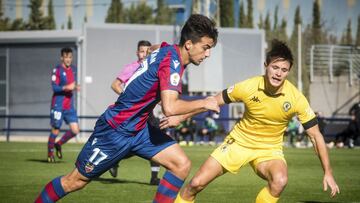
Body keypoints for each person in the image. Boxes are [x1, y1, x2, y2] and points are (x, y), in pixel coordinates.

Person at [35, 14, 219, 203]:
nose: (207, 54)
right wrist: (205, 102)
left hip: (139, 129)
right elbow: (170, 107)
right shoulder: (171, 63)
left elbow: (155, 48)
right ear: (188, 44)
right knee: (74, 181)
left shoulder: (168, 50)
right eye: (205, 48)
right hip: (115, 130)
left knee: (181, 164)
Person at [162, 39, 340, 202]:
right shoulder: (248, 86)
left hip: (269, 150)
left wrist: (328, 172)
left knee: (280, 180)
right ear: (266, 66)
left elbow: (316, 136)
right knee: (195, 184)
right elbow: (213, 102)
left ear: (288, 72)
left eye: (284, 70)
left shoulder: (296, 98)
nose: (278, 74)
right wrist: (180, 117)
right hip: (238, 143)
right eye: (275, 68)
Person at [108, 40, 161, 186]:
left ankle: (154, 177)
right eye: (142, 51)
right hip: (132, 112)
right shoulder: (131, 68)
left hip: (148, 113)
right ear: (137, 53)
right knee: (130, 144)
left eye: (147, 51)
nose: (144, 54)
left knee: (157, 139)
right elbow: (115, 85)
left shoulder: (154, 68)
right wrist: (128, 97)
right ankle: (115, 160)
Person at [47, 47, 80, 163]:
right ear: (62, 57)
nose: (68, 60)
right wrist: (67, 87)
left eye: (70, 57)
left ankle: (58, 144)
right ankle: (50, 153)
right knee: (56, 130)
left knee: (75, 130)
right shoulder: (57, 70)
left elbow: (72, 84)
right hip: (58, 105)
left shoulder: (74, 69)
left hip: (69, 106)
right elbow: (54, 87)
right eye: (66, 57)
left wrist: (76, 87)